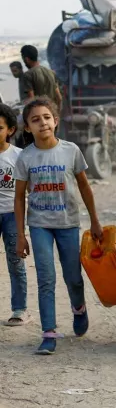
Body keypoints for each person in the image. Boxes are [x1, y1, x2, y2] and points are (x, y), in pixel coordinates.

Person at [13, 97, 103, 354]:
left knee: (73, 277)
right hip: (40, 224)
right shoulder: (26, 157)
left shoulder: (70, 150)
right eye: (35, 119)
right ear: (27, 128)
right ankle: (49, 332)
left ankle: (79, 308)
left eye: (46, 117)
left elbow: (84, 187)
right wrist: (21, 235)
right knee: (46, 277)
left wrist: (95, 221)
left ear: (55, 120)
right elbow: (19, 198)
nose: (42, 123)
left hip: (68, 223)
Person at [0, 104, 28, 326]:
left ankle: (19, 309)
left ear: (10, 130)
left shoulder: (19, 156)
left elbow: (29, 191)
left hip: (11, 214)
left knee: (15, 261)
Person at [19, 46, 63, 116]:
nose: (24, 63)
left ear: (27, 59)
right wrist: (57, 116)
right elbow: (59, 98)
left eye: (24, 60)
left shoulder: (28, 75)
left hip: (40, 117)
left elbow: (32, 100)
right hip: (53, 116)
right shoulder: (51, 72)